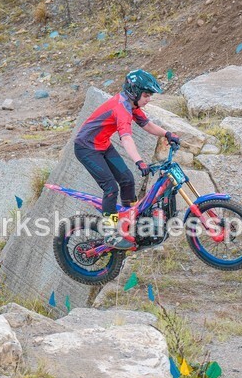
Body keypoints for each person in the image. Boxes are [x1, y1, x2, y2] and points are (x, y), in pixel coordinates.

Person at [74, 69, 179, 249]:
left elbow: (146, 124)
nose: (149, 99)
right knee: (110, 188)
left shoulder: (132, 105)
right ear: (134, 92)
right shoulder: (121, 108)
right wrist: (139, 160)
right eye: (146, 95)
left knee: (128, 180)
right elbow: (126, 138)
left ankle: (129, 222)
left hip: (102, 145)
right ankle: (110, 232)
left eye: (150, 95)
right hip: (86, 149)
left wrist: (167, 134)